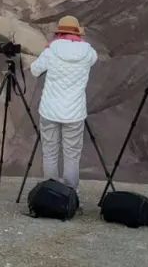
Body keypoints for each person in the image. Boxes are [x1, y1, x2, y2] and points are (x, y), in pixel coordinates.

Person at [30, 15, 97, 192]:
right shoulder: (89, 52)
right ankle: (70, 193)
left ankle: (50, 192)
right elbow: (92, 60)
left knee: (50, 152)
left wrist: (49, 50)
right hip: (75, 112)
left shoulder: (52, 50)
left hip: (50, 110)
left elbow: (35, 70)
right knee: (72, 154)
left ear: (59, 32)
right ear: (78, 33)